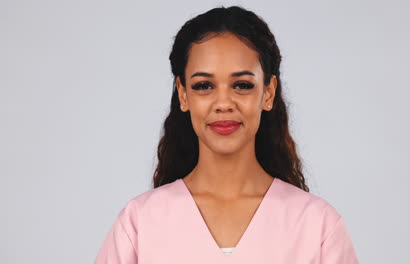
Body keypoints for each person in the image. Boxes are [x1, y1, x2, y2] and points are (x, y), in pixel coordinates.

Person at [95, 5, 359, 263]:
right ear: (183, 94)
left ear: (268, 92)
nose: (223, 103)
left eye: (242, 85)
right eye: (204, 86)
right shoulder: (139, 225)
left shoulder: (318, 227)